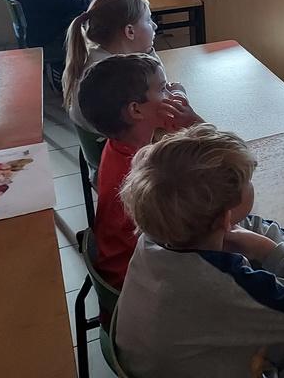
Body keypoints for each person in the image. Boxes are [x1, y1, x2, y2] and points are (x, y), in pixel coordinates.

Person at [116, 124, 284, 378]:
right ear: (225, 219)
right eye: (248, 181)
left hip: (186, 359)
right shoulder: (219, 284)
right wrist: (270, 252)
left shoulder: (161, 231)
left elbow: (253, 225)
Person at [78, 53, 203, 290]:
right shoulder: (149, 172)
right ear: (135, 111)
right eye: (164, 89)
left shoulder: (117, 146)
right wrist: (194, 123)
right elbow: (224, 167)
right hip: (139, 282)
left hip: (121, 267)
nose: (171, 95)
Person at [63, 0, 161, 133]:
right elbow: (159, 108)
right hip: (119, 142)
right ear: (130, 31)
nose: (154, 26)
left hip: (102, 141)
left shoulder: (97, 57)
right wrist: (179, 94)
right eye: (148, 20)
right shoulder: (119, 75)